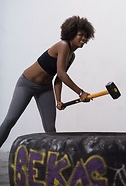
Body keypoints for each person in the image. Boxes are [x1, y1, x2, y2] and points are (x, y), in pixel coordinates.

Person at [0, 16, 95, 147]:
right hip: (27, 84)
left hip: (45, 88)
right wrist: (81, 93)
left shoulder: (72, 56)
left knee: (50, 129)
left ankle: (54, 162)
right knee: (10, 120)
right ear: (71, 34)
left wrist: (59, 100)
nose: (84, 38)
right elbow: (62, 73)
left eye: (86, 36)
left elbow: (57, 79)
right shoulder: (63, 46)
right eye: (80, 35)